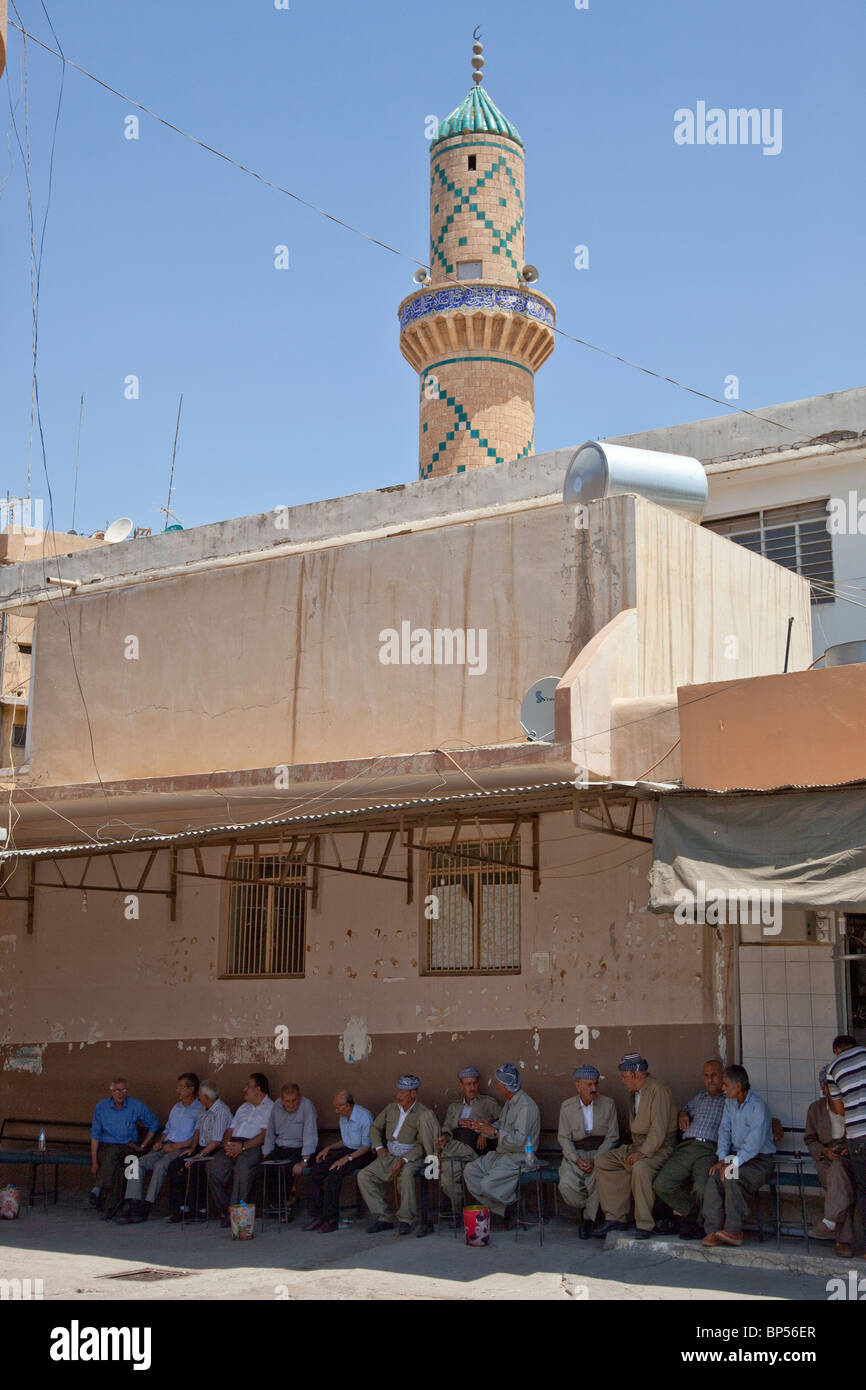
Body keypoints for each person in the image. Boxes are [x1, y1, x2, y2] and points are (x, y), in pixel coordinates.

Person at [594, 1053, 676, 1240]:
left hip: (660, 1148)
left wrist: (643, 1153)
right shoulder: (634, 1094)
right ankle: (616, 1217)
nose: (623, 1081)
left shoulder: (658, 1089)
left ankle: (645, 1225)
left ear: (634, 1074)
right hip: (637, 1145)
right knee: (603, 1161)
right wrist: (637, 1150)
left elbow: (659, 1129)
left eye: (624, 1076)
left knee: (640, 1167)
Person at [701, 1064, 775, 1247]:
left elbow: (754, 1145)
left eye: (726, 1085)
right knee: (714, 1177)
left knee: (731, 1176)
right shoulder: (730, 1103)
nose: (722, 1088)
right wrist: (722, 1159)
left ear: (739, 1087)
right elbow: (724, 1131)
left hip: (759, 1162)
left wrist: (732, 1164)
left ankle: (734, 1231)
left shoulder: (758, 1107)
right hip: (737, 1158)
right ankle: (713, 1230)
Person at [357, 1075, 440, 1235]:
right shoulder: (391, 1108)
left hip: (411, 1156)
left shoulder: (423, 1113)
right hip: (388, 1154)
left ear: (413, 1093)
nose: (398, 1095)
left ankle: (406, 1220)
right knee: (364, 1175)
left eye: (403, 1092)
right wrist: (379, 1147)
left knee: (407, 1174)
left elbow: (421, 1145)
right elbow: (375, 1128)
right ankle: (383, 1218)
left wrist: (403, 1160)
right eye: (399, 1091)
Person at [653, 1058, 726, 1240]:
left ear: (723, 1076)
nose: (710, 1079)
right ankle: (692, 1214)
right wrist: (683, 1114)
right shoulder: (700, 1097)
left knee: (702, 1188)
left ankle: (695, 1222)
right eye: (706, 1076)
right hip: (686, 1147)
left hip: (709, 1149)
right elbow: (684, 1109)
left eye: (714, 1075)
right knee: (661, 1184)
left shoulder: (729, 1100)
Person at [463, 1063, 541, 1229]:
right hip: (503, 1154)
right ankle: (506, 1207)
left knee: (487, 1185)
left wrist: (494, 1132)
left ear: (506, 1086)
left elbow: (519, 1140)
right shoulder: (510, 1102)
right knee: (471, 1171)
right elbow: (502, 1124)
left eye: (498, 1084)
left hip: (520, 1156)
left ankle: (510, 1203)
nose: (497, 1087)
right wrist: (485, 1127)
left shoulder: (525, 1106)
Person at [119, 1073, 203, 1223]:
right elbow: (167, 1130)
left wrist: (175, 1146)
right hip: (165, 1145)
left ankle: (147, 1205)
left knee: (160, 1166)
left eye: (181, 1087)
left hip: (180, 1148)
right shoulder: (176, 1107)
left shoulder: (200, 1109)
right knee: (136, 1163)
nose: (177, 1090)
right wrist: (160, 1141)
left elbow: (197, 1137)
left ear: (191, 1089)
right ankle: (133, 1203)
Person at [557, 1064, 619, 1238]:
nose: (594, 1089)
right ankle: (588, 1210)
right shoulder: (567, 1107)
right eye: (589, 1085)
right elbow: (564, 1138)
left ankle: (588, 1220)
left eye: (596, 1084)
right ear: (578, 1085)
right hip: (575, 1155)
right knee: (566, 1185)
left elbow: (612, 1137)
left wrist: (596, 1158)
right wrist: (576, 1159)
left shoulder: (608, 1104)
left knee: (598, 1180)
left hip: (600, 1153)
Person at [207, 1073, 274, 1228]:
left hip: (251, 1148)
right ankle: (226, 1211)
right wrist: (227, 1145)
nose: (244, 1089)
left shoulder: (270, 1107)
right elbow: (230, 1129)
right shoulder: (244, 1107)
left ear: (258, 1089)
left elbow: (265, 1134)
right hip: (233, 1145)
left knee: (242, 1168)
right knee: (213, 1167)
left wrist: (243, 1147)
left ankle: (237, 1215)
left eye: (248, 1086)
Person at [804, 1064, 856, 1257]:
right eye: (830, 1085)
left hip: (851, 1158)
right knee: (838, 1179)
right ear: (824, 1088)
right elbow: (809, 1139)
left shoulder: (852, 1106)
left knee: (839, 1174)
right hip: (825, 1160)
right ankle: (842, 1239)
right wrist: (825, 1151)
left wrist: (846, 1149)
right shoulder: (815, 1109)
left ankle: (831, 1223)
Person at [89, 1077, 159, 1219]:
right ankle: (114, 1205)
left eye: (124, 1090)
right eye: (118, 1090)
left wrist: (143, 1145)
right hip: (106, 1147)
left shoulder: (135, 1105)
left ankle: (102, 1195)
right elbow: (95, 1135)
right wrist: (94, 1162)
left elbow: (154, 1123)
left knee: (129, 1160)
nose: (121, 1093)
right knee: (111, 1156)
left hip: (128, 1147)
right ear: (111, 1091)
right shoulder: (101, 1107)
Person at [305, 1090, 375, 1233]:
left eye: (338, 1107)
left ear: (348, 1106)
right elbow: (347, 1141)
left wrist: (347, 1159)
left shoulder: (364, 1117)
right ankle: (318, 1216)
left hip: (363, 1154)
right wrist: (329, 1148)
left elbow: (366, 1146)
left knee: (334, 1174)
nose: (336, 1111)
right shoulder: (343, 1117)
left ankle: (331, 1220)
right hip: (349, 1150)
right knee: (315, 1172)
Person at [436, 1067, 501, 1213]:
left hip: (474, 1149)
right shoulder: (454, 1107)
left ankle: (440, 1158)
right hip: (455, 1147)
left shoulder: (488, 1103)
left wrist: (486, 1132)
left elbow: (504, 1120)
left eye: (475, 1083)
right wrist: (445, 1137)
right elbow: (446, 1127)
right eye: (468, 1084)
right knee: (446, 1180)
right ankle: (459, 1212)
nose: (472, 1087)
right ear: (461, 1085)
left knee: (449, 1161)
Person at [825, 1033, 866, 1260]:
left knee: (865, 1190)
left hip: (859, 1135)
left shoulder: (834, 1068)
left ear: (836, 1051)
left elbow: (840, 1110)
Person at [168, 1079, 233, 1222]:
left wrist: (198, 1156)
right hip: (200, 1147)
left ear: (206, 1097)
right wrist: (192, 1149)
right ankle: (181, 1208)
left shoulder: (221, 1111)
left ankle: (200, 1209)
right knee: (175, 1165)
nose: (198, 1097)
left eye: (200, 1095)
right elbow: (197, 1129)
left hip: (213, 1150)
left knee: (196, 1168)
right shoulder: (204, 1109)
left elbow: (216, 1142)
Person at [263, 1083, 319, 1220]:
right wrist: (266, 1152)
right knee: (266, 1167)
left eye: (294, 1100)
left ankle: (287, 1203)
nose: (291, 1104)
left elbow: (310, 1134)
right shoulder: (276, 1106)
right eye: (287, 1101)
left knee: (287, 1169)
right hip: (280, 1146)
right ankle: (277, 1205)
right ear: (282, 1100)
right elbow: (270, 1131)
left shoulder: (307, 1106)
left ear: (299, 1098)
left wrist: (304, 1161)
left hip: (298, 1149)